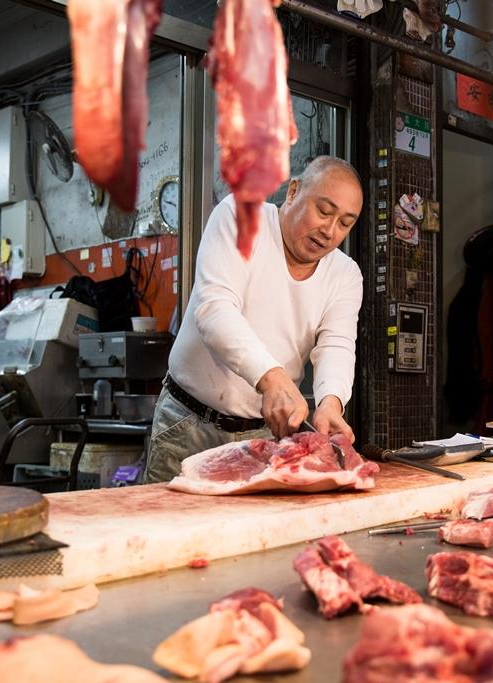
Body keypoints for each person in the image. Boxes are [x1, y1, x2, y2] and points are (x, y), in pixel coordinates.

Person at [143, 156, 364, 483]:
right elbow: (214, 308)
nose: (330, 231)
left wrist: (332, 402)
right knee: (163, 517)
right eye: (323, 211)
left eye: (345, 223)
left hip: (264, 436)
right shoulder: (240, 217)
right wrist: (271, 378)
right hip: (188, 421)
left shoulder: (345, 274)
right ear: (293, 191)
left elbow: (337, 345)